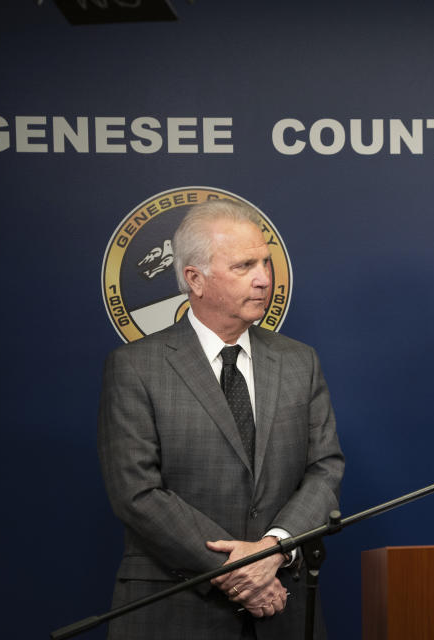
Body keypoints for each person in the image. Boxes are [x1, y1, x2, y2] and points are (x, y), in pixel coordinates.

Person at [98, 199, 345, 639]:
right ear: (195, 279)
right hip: (175, 605)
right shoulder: (136, 366)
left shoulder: (299, 361)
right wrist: (237, 569)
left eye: (266, 263)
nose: (264, 279)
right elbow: (137, 490)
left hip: (282, 607)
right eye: (244, 265)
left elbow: (324, 469)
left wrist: (274, 550)